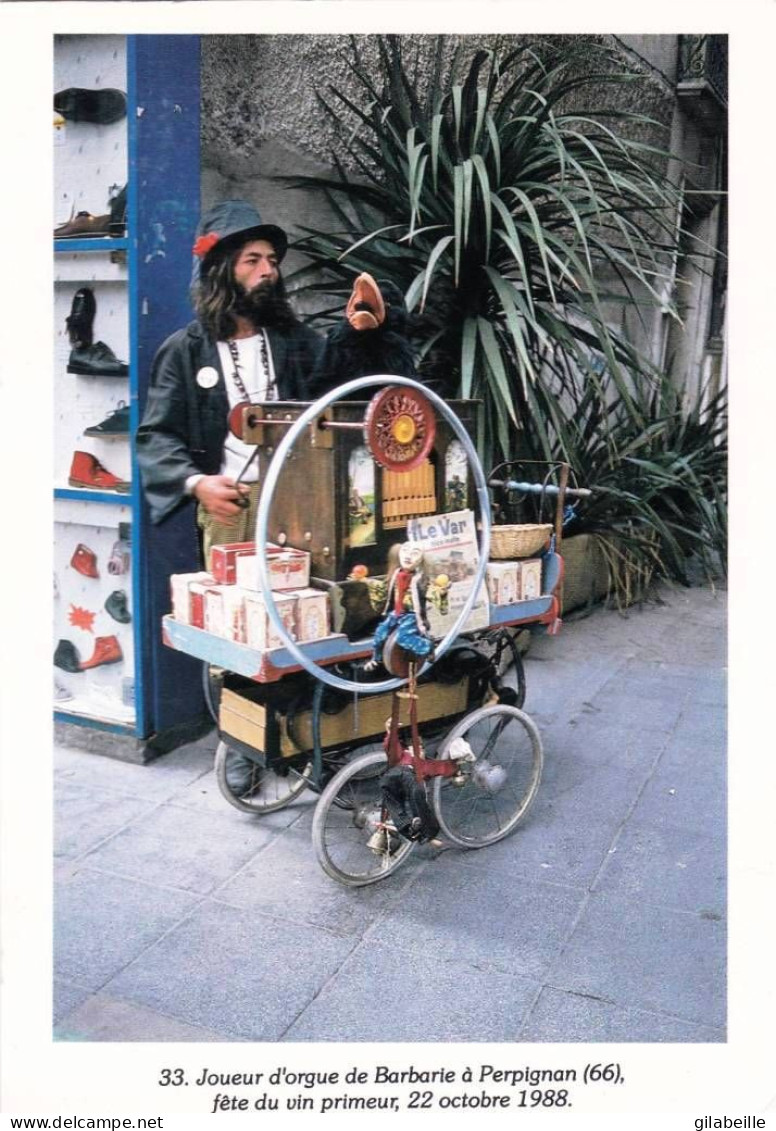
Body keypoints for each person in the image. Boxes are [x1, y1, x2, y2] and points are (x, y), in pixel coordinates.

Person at [136, 199, 324, 567]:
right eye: (252, 261)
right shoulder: (184, 351)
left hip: (302, 503)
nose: (267, 270)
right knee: (235, 616)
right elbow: (156, 436)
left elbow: (342, 392)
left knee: (303, 612)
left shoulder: (299, 341)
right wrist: (197, 483)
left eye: (272, 261)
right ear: (222, 271)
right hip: (232, 509)